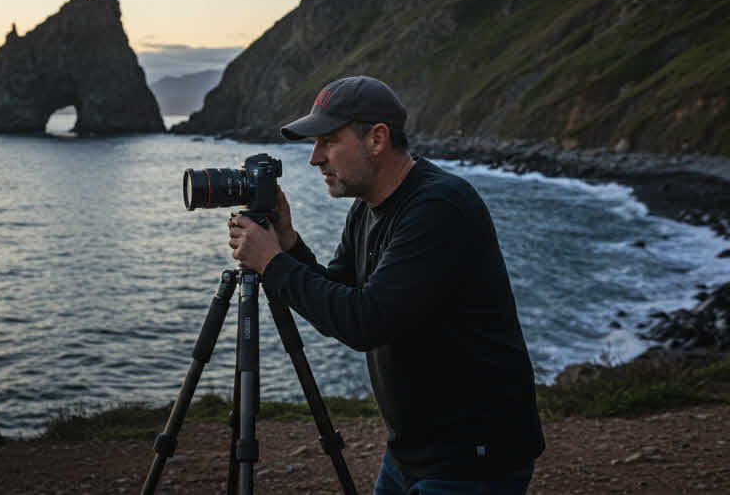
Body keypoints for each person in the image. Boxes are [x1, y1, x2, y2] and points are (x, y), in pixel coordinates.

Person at [227, 76, 545, 494]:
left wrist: (271, 262)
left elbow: (366, 322)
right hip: (411, 451)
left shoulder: (439, 207)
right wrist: (288, 243)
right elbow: (341, 290)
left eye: (327, 142)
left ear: (377, 139)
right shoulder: (367, 208)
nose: (314, 159)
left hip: (472, 459)